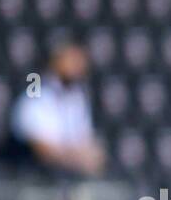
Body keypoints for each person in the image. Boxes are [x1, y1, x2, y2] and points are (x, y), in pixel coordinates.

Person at [8, 42, 106, 176]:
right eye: (71, 60)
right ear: (56, 61)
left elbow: (87, 144)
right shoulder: (35, 96)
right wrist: (75, 157)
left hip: (69, 177)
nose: (77, 66)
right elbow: (43, 151)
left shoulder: (78, 98)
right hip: (34, 178)